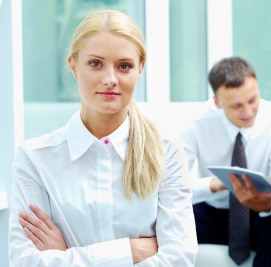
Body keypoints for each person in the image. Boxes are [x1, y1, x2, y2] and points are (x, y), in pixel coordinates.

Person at [8, 9, 197, 267]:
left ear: (140, 68)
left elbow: (180, 259)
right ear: (73, 65)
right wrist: (130, 252)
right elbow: (25, 262)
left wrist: (66, 255)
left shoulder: (168, 152)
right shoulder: (35, 158)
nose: (110, 79)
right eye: (95, 64)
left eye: (124, 66)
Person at [178, 56, 271, 267]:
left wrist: (265, 203)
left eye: (253, 100)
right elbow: (173, 184)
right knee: (169, 223)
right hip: (212, 213)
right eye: (236, 106)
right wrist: (213, 184)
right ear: (217, 102)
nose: (247, 112)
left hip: (260, 214)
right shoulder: (195, 124)